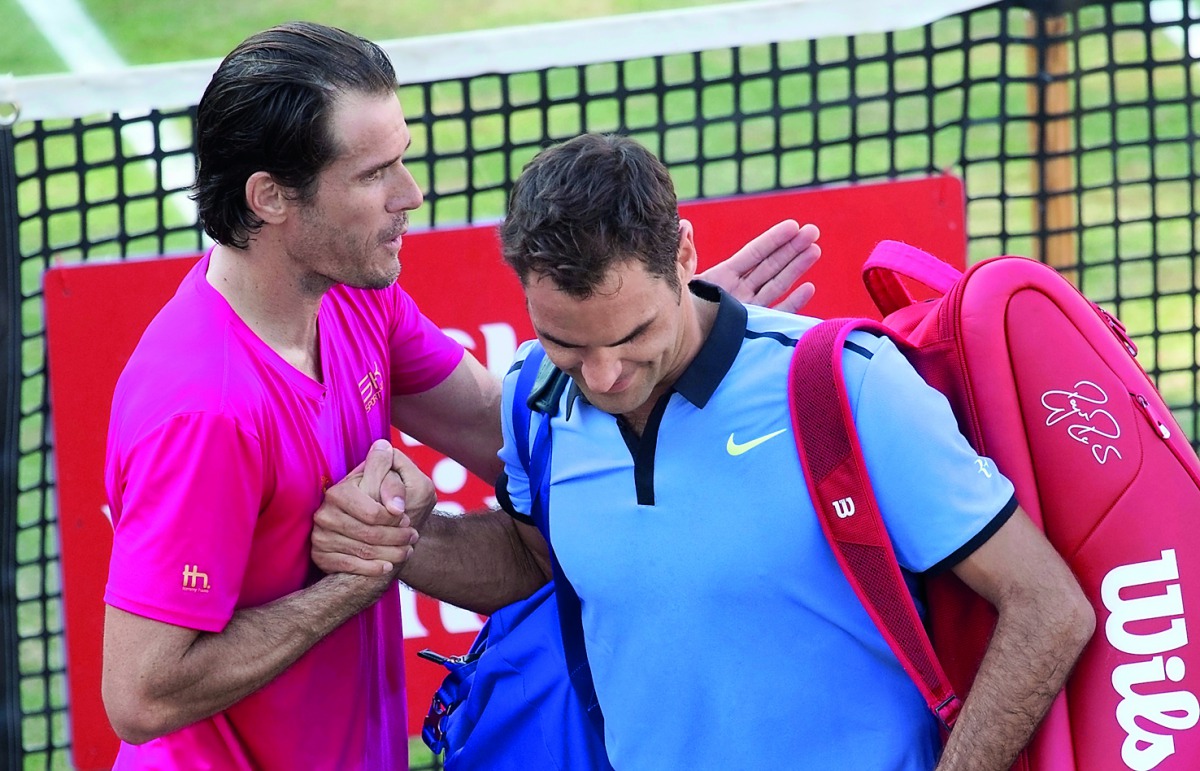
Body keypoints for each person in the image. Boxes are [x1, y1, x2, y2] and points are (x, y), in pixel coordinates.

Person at [99, 23, 822, 771]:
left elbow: (505, 434)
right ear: (272, 197)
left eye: (402, 160)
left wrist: (663, 340)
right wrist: (355, 579)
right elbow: (141, 694)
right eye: (374, 174)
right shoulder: (204, 408)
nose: (411, 194)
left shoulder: (354, 300)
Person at [314, 133, 1096, 770]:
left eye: (633, 335)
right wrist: (402, 541)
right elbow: (535, 561)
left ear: (684, 253)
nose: (604, 375)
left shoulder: (849, 389)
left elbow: (1047, 606)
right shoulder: (532, 399)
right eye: (565, 342)